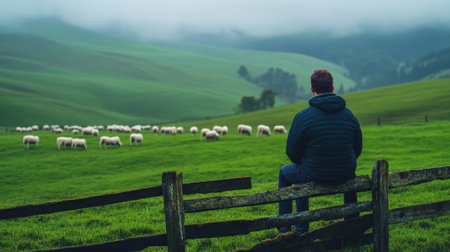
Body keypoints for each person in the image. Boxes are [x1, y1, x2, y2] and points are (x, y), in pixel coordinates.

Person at [278, 69, 362, 234]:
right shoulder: (349, 115)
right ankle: (352, 225)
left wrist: (307, 160)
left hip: (313, 172)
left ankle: (289, 229)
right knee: (347, 173)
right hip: (345, 171)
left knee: (286, 173)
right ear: (332, 88)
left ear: (311, 89)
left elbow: (292, 153)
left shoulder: (302, 116)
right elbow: (357, 148)